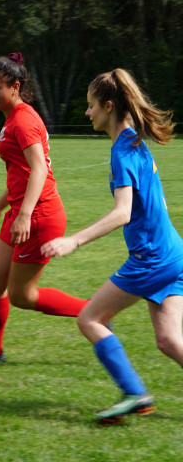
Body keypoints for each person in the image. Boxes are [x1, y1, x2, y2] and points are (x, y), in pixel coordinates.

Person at [41, 68, 183, 424]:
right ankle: (136, 394)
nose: (87, 113)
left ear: (108, 106)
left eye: (91, 106)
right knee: (168, 340)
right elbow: (160, 204)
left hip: (152, 258)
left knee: (90, 318)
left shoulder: (123, 151)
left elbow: (122, 213)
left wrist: (73, 240)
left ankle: (135, 393)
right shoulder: (137, 142)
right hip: (172, 253)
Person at [0, 52, 88, 363]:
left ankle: (93, 310)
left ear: (15, 87)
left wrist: (24, 215)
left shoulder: (24, 121)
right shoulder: (14, 118)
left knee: (21, 295)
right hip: (21, 211)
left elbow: (39, 170)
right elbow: (21, 174)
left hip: (39, 216)